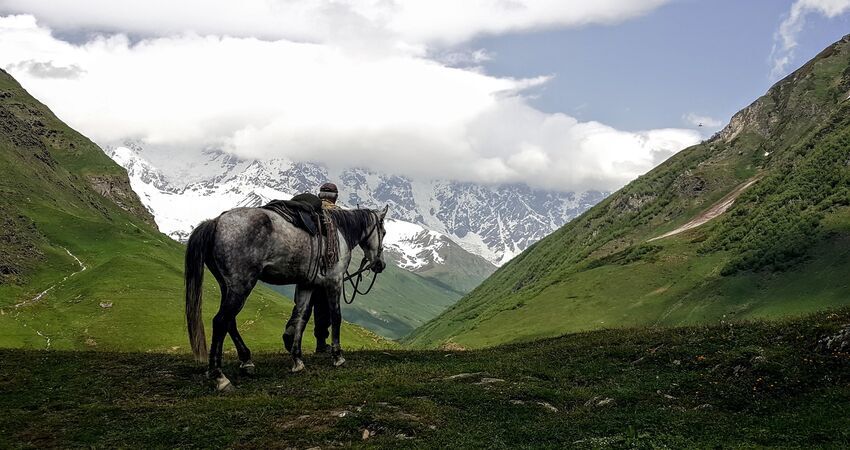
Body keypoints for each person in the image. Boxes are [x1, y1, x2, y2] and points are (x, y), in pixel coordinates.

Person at [310, 182, 339, 352]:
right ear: (335, 197)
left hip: (308, 266)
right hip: (326, 268)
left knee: (303, 304)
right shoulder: (338, 214)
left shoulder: (310, 212)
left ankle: (292, 331)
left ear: (320, 196)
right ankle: (321, 343)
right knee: (324, 307)